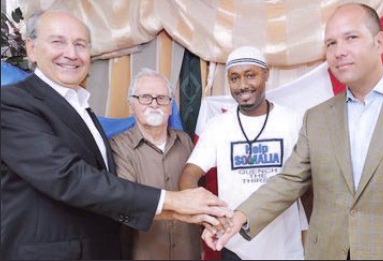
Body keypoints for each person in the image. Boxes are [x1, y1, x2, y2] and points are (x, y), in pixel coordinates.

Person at [203, 3, 383, 260]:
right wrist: (239, 217)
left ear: (379, 42)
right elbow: (289, 179)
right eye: (330, 43)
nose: (339, 51)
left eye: (351, 38)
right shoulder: (317, 117)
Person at [0, 10, 232, 260]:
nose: (71, 53)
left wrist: (177, 211)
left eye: (80, 44)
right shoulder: (12, 103)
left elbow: (102, 194)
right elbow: (69, 177)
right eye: (58, 42)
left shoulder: (82, 109)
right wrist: (173, 203)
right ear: (32, 49)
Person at [180, 46, 309, 260]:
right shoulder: (217, 125)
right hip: (235, 245)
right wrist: (206, 215)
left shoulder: (293, 120)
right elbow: (188, 176)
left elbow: (306, 180)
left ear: (265, 74)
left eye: (250, 75)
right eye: (234, 78)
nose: (243, 86)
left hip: (284, 247)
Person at [110, 68, 201, 260]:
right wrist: (179, 209)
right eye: (145, 97)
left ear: (170, 106)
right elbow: (127, 203)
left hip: (188, 252)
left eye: (161, 98)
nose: (154, 104)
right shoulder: (117, 146)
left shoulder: (186, 142)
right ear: (131, 104)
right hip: (142, 253)